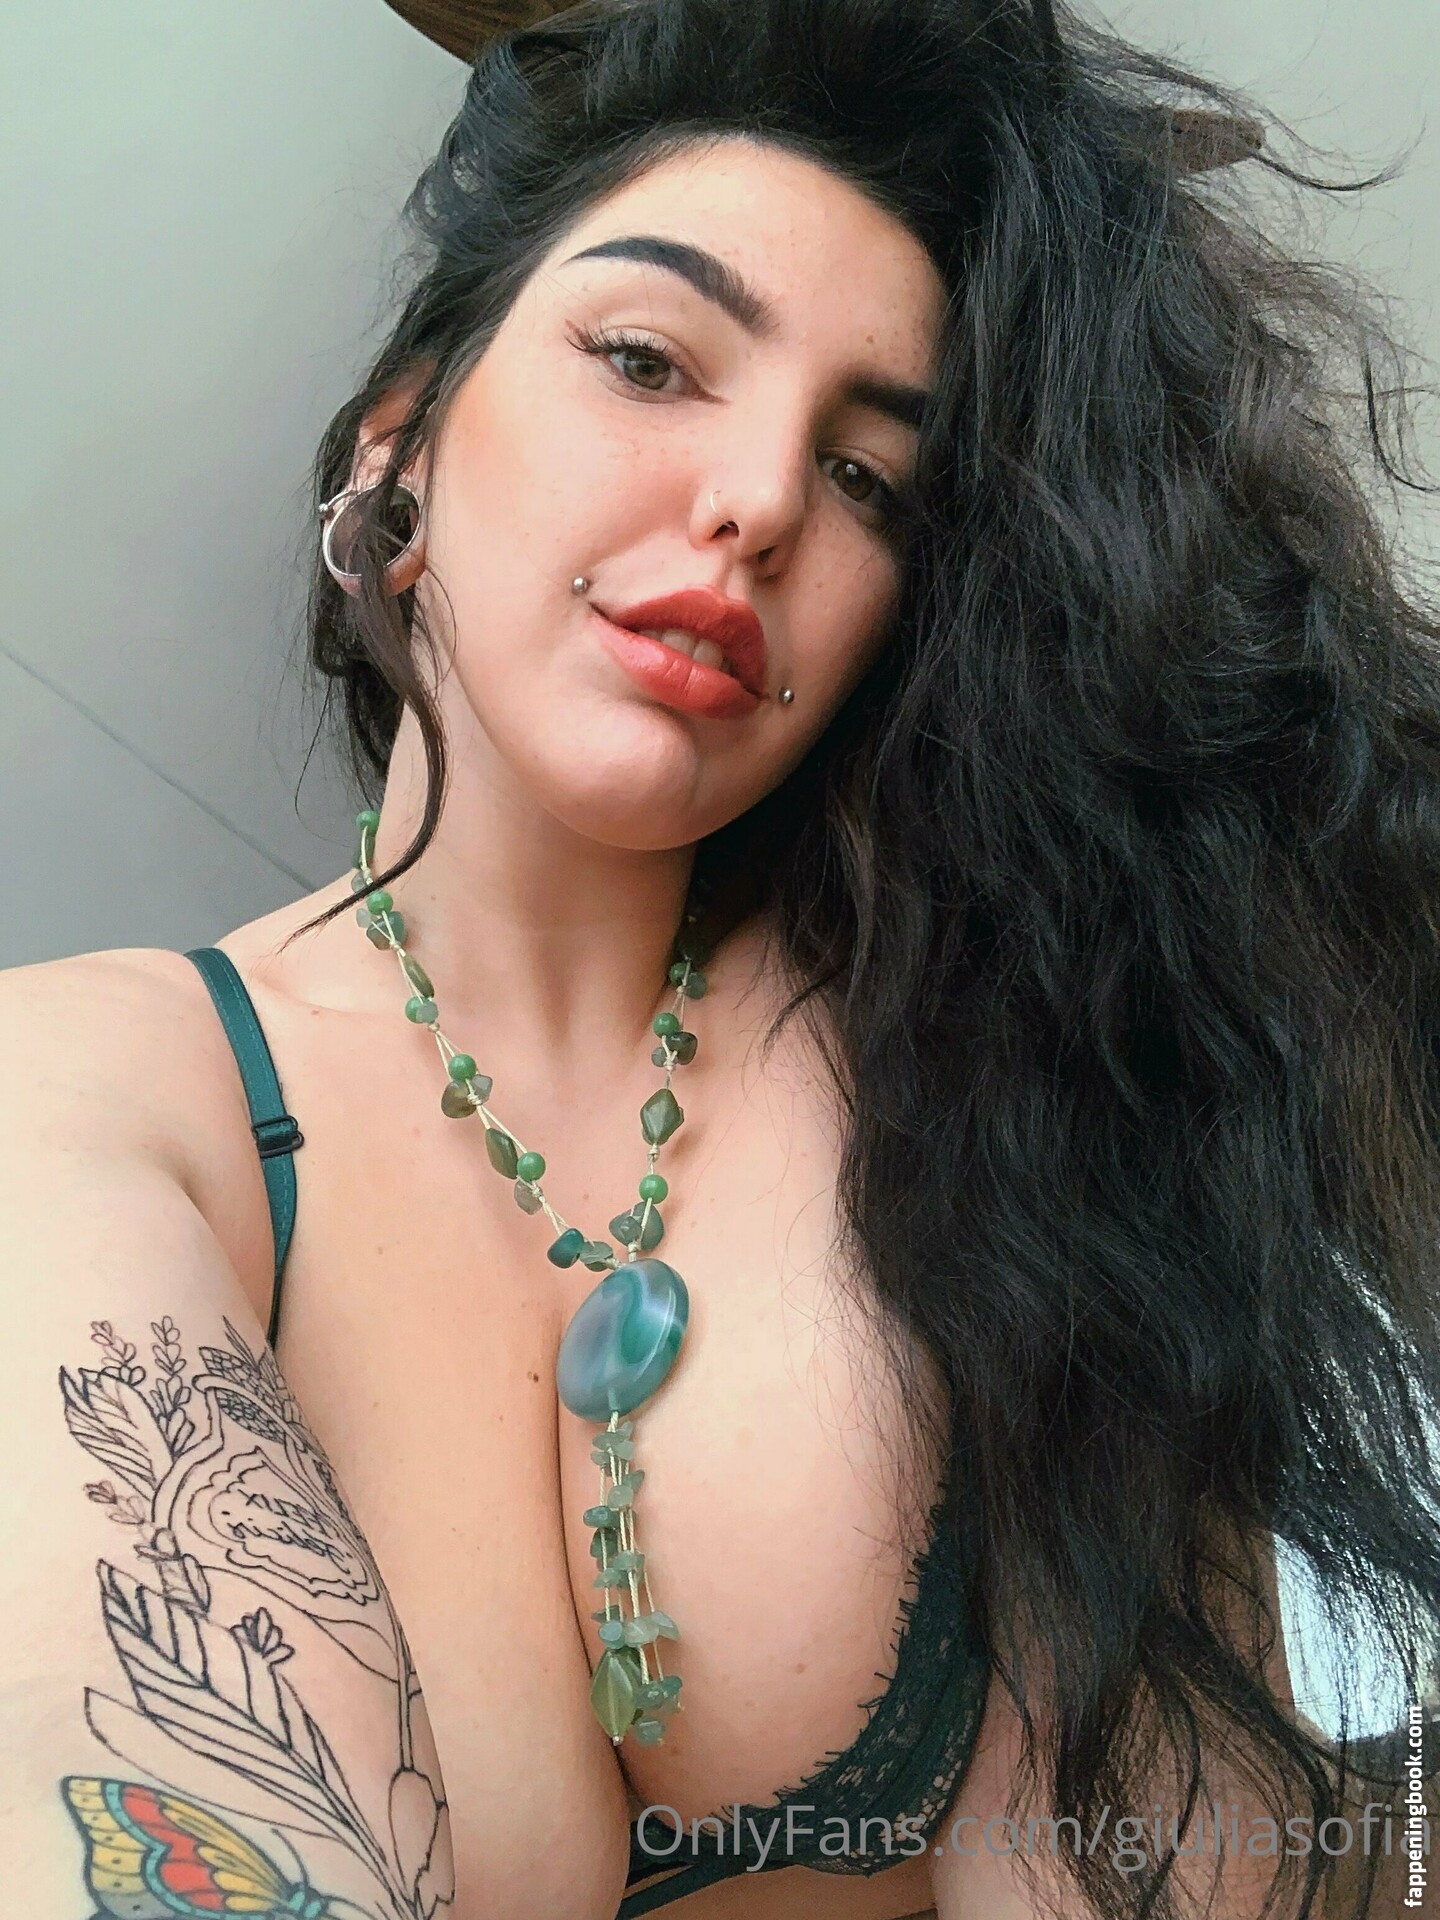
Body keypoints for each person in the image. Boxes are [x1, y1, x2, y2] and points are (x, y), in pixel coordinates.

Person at [2, 0, 1437, 1915]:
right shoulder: (86, 1093)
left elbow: (1167, 1837)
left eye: (870, 481)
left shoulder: (998, 1071)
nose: (760, 499)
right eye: (648, 359)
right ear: (399, 446)